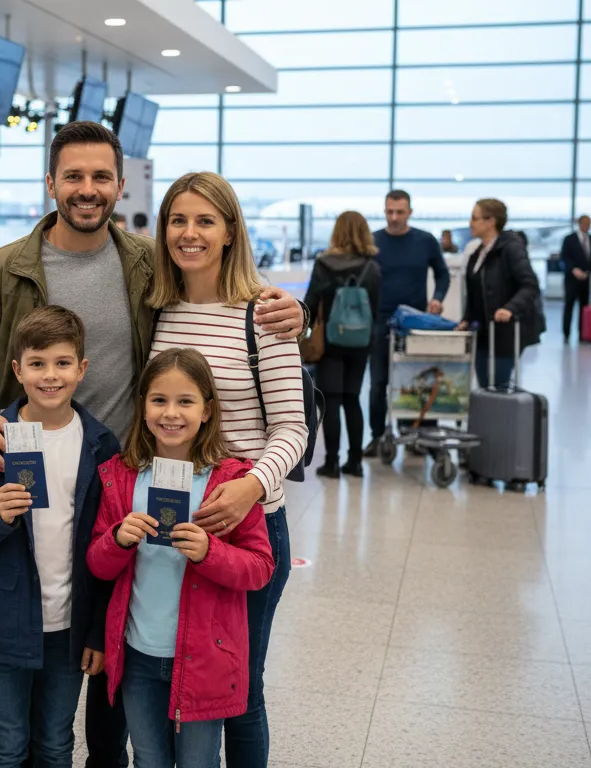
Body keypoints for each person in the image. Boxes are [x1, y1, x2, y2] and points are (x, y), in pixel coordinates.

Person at [0, 120, 305, 768]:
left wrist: (300, 319)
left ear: (120, 184)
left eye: (101, 177)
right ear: (51, 182)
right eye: (73, 177)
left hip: (139, 492)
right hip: (62, 487)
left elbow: (286, 416)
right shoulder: (6, 269)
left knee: (159, 672)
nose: (88, 189)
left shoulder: (144, 267)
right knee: (85, 654)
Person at [145, 171, 307, 768]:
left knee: (239, 688)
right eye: (178, 220)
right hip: (165, 521)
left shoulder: (262, 314)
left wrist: (249, 488)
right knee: (168, 674)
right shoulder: (156, 309)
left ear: (230, 231)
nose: (190, 234)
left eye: (205, 221)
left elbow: (293, 428)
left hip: (246, 524)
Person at [87, 348, 274, 768]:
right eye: (159, 400)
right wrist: (118, 539)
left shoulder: (230, 481)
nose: (171, 413)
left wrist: (211, 552)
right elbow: (97, 564)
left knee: (198, 761)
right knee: (148, 759)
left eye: (185, 401)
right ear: (142, 407)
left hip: (205, 658)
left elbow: (260, 568)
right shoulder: (121, 475)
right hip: (136, 654)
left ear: (208, 411)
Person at [0, 306, 116, 768]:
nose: (50, 376)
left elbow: (107, 548)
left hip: (68, 629)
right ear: (17, 370)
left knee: (55, 743)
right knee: (5, 744)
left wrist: (97, 631)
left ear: (81, 370)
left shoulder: (101, 444)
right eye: (38, 364)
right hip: (2, 623)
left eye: (62, 363)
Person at [366, 190, 450, 457]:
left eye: (399, 212)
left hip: (415, 323)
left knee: (417, 380)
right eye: (389, 211)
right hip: (380, 321)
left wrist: (437, 298)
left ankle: (416, 433)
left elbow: (443, 274)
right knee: (378, 383)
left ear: (410, 212)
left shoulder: (425, 241)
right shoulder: (373, 241)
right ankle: (377, 437)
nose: (394, 217)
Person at [303, 211, 382, 479]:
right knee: (352, 399)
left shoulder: (324, 263)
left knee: (332, 401)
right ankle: (356, 462)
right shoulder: (372, 267)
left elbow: (311, 302)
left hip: (330, 342)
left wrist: (305, 332)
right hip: (360, 342)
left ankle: (332, 463)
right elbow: (375, 307)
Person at [462, 198, 542, 389]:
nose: (470, 223)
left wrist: (510, 308)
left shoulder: (511, 248)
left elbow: (530, 285)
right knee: (484, 385)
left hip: (504, 333)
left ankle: (499, 419)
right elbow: (475, 292)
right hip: (483, 331)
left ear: (491, 222)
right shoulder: (478, 253)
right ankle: (487, 419)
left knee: (498, 385)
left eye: (475, 218)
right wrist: (467, 318)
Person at [560, 215, 591, 341]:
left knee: (584, 306)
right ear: (579, 224)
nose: (587, 226)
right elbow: (564, 258)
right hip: (572, 278)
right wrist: (574, 270)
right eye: (585, 223)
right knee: (569, 304)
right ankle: (566, 333)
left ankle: (582, 333)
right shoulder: (569, 239)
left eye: (589, 223)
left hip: (587, 278)